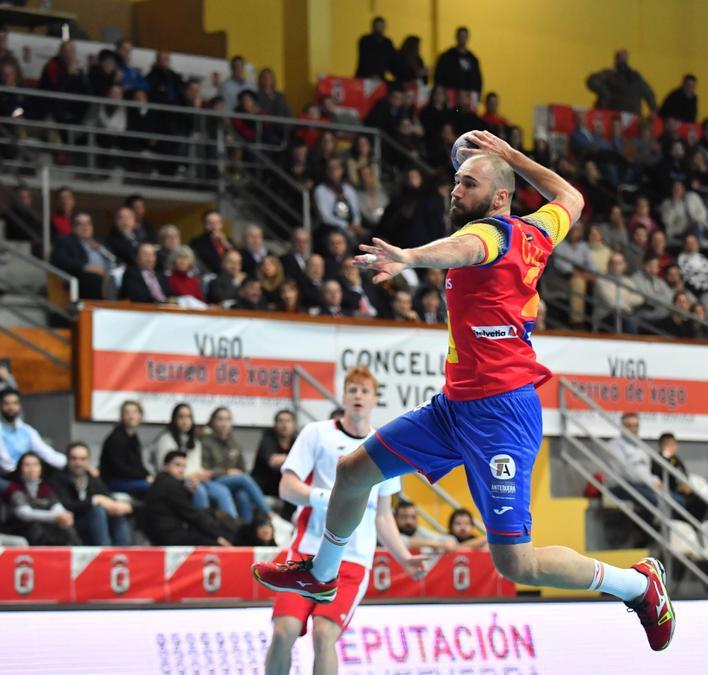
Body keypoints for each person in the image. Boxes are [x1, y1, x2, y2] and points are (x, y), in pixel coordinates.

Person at [253, 129, 676, 653]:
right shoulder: (537, 231)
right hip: (453, 409)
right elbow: (572, 198)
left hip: (501, 415)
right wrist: (511, 157)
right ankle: (321, 573)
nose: (456, 189)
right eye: (456, 180)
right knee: (352, 471)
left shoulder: (492, 235)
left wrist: (409, 256)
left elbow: (464, 247)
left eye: (468, 182)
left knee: (514, 561)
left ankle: (638, 585)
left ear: (499, 198)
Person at [260, 367, 426, 675]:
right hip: (306, 551)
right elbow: (287, 488)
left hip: (352, 561)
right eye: (353, 390)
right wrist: (332, 499)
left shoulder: (385, 446)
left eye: (365, 391)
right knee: (284, 630)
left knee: (325, 635)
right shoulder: (316, 433)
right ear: (344, 397)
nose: (358, 396)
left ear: (375, 399)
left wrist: (403, 557)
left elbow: (383, 515)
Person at [141, 450, 232, 546]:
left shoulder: (163, 481)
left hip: (162, 533)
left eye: (184, 466)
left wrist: (189, 493)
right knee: (214, 542)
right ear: (166, 466)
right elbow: (191, 514)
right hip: (168, 535)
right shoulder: (171, 485)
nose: (181, 470)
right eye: (177, 465)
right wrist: (218, 536)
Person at [199, 406, 270, 524]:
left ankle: (244, 534)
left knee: (243, 496)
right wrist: (226, 472)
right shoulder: (205, 442)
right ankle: (269, 513)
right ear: (212, 421)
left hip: (232, 483)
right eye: (220, 419)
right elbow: (204, 470)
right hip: (211, 482)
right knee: (243, 479)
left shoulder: (233, 443)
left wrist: (233, 473)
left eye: (227, 419)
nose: (224, 423)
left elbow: (242, 468)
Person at [52, 442, 132, 546]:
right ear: (68, 459)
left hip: (95, 523)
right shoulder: (58, 479)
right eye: (74, 458)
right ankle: (104, 552)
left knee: (117, 514)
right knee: (97, 511)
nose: (78, 463)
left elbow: (106, 497)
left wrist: (118, 506)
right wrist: (94, 500)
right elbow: (66, 505)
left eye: (82, 459)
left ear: (88, 461)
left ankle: (123, 554)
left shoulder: (92, 478)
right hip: (72, 523)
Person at [0, 389, 68, 482]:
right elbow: (4, 463)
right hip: (7, 477)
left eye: (15, 403)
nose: (11, 407)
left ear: (19, 406)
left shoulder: (26, 430)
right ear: (0, 406)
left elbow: (46, 452)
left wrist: (70, 464)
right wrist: (27, 472)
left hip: (28, 474)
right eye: (7, 404)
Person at [3, 451, 80, 545]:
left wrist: (64, 515)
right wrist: (55, 517)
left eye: (35, 465)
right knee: (36, 527)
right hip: (22, 527)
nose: (32, 469)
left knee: (67, 527)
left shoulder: (45, 488)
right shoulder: (14, 488)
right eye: (27, 465)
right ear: (20, 468)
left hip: (46, 524)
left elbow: (56, 505)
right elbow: (25, 514)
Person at [99, 400, 152, 498]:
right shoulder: (116, 438)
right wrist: (144, 477)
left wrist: (149, 475)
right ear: (122, 417)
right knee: (153, 488)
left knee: (160, 485)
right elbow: (119, 468)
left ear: (140, 416)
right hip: (114, 481)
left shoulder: (133, 437)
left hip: (130, 479)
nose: (131, 416)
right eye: (127, 413)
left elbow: (138, 465)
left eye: (134, 412)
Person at [585, 49, 657, 114]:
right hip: (616, 116)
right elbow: (592, 81)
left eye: (623, 57)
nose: (622, 59)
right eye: (621, 57)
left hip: (623, 117)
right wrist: (604, 93)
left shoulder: (635, 77)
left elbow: (648, 93)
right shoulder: (610, 74)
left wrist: (604, 93)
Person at [253, 409, 296, 505]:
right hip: (264, 488)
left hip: (285, 489)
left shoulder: (296, 441)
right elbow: (274, 461)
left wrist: (285, 458)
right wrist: (295, 458)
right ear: (275, 425)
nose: (285, 425)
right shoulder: (267, 439)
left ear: (294, 425)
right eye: (281, 421)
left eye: (288, 421)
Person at [433, 27, 482, 95]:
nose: (462, 38)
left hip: (468, 95)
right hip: (450, 94)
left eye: (464, 36)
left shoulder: (472, 59)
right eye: (461, 36)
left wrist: (477, 94)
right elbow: (438, 75)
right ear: (456, 37)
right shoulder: (446, 57)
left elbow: (477, 79)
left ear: (468, 38)